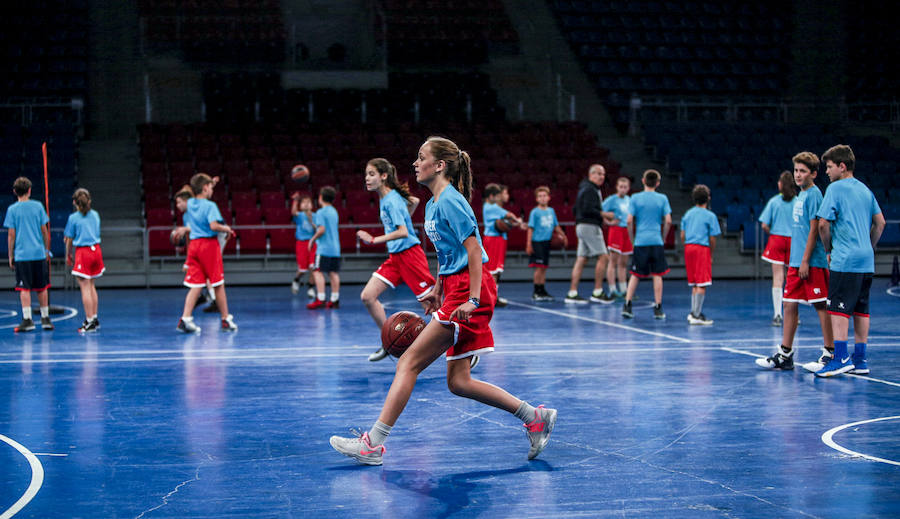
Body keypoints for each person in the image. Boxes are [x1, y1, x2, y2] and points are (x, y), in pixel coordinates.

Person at [329, 136, 557, 465]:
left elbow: (475, 251)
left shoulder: (451, 200)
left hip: (469, 290)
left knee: (408, 362)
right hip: (454, 287)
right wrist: (438, 285)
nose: (414, 163)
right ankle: (535, 417)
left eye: (421, 158)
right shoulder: (434, 203)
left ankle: (373, 443)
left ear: (440, 165)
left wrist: (474, 298)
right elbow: (448, 251)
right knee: (459, 382)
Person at [756, 152, 834, 371]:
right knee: (788, 304)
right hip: (795, 262)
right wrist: (797, 261)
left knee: (821, 305)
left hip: (812, 262)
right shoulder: (800, 196)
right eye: (796, 171)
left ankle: (830, 353)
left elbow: (814, 230)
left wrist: (805, 261)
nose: (798, 175)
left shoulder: (815, 195)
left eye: (803, 171)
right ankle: (785, 354)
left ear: (814, 173)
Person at [814, 145, 885, 377]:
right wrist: (868, 246)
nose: (826, 171)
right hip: (866, 260)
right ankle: (860, 360)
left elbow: (823, 224)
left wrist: (828, 248)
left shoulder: (835, 189)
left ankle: (841, 357)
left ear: (842, 166)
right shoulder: (865, 190)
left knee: (838, 309)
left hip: (845, 260)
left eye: (829, 166)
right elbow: (880, 223)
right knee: (861, 310)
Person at [357, 158, 436, 362]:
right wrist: (407, 214)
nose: (367, 178)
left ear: (384, 176)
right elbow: (415, 202)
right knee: (367, 296)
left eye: (372, 174)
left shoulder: (391, 200)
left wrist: (374, 239)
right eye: (366, 174)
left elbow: (402, 232)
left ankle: (463, 345)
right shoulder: (388, 198)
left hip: (410, 255)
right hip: (395, 258)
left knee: (433, 305)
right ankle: (389, 341)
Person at [177, 173, 237, 333]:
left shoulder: (190, 203)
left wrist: (211, 183)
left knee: (196, 286)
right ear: (204, 188)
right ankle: (225, 319)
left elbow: (194, 193)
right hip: (208, 246)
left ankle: (185, 319)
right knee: (218, 284)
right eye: (210, 187)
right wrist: (227, 228)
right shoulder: (211, 206)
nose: (212, 190)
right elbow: (213, 226)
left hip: (194, 246)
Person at [4, 177, 53, 332]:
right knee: (42, 287)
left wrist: (10, 255)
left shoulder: (12, 210)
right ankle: (45, 318)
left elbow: (11, 235)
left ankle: (27, 319)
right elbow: (44, 230)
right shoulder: (38, 206)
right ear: (30, 190)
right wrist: (46, 249)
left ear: (14, 192)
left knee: (24, 288)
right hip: (38, 253)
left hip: (22, 255)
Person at [622, 169, 671, 319]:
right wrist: (663, 237)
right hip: (656, 241)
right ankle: (658, 307)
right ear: (657, 183)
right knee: (657, 274)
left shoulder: (635, 198)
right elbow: (668, 221)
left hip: (641, 241)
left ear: (643, 181)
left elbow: (629, 221)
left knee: (635, 274)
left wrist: (632, 239)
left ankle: (628, 305)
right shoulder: (662, 198)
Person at [565, 164, 617, 304]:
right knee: (604, 257)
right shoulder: (590, 189)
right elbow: (588, 209)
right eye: (598, 174)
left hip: (582, 225)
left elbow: (577, 209)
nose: (601, 177)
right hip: (589, 226)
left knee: (581, 259)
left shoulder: (584, 188)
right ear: (591, 175)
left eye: (603, 174)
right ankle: (598, 291)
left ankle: (572, 292)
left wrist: (602, 218)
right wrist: (604, 214)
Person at [758, 171, 797, 326]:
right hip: (794, 241)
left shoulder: (774, 201)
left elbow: (764, 224)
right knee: (792, 279)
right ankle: (794, 315)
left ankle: (778, 314)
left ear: (780, 184)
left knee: (778, 279)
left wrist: (772, 232)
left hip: (777, 240)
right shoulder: (798, 201)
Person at [64, 188, 104, 333]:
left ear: (75, 202)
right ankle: (94, 317)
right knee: (92, 285)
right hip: (96, 250)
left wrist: (68, 253)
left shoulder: (73, 218)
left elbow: (69, 239)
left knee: (84, 287)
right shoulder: (95, 215)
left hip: (83, 252)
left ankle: (89, 320)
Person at [680, 184, 720, 325]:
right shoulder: (710, 216)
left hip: (688, 248)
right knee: (702, 283)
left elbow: (682, 234)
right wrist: (710, 253)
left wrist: (687, 245)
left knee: (695, 282)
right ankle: (696, 315)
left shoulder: (688, 214)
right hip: (701, 248)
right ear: (708, 198)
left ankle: (693, 312)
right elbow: (713, 238)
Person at [174, 186, 219, 313]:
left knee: (209, 271)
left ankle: (212, 299)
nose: (177, 206)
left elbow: (204, 229)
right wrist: (188, 260)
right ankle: (210, 298)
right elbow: (191, 239)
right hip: (202, 245)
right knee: (204, 271)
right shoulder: (185, 216)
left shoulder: (199, 209)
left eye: (179, 202)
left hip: (214, 239)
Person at [481, 183, 524, 307]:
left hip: (497, 239)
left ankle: (493, 296)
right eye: (498, 195)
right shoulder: (490, 207)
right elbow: (509, 215)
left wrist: (516, 224)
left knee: (496, 270)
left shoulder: (490, 207)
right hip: (494, 240)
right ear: (492, 196)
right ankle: (491, 298)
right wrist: (519, 222)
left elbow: (506, 221)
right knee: (493, 270)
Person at [526, 185, 567, 301]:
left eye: (544, 196)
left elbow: (556, 226)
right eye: (540, 196)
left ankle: (542, 290)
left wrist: (563, 236)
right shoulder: (535, 212)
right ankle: (536, 291)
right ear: (537, 199)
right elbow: (530, 228)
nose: (542, 198)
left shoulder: (551, 211)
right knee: (538, 268)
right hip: (537, 242)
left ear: (548, 198)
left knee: (544, 267)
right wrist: (528, 244)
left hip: (547, 242)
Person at [306, 186, 341, 309]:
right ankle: (334, 300)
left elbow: (321, 229)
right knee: (333, 273)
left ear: (320, 198)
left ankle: (320, 299)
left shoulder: (321, 212)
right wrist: (311, 218)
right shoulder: (333, 211)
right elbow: (323, 225)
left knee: (317, 272)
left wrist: (312, 239)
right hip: (335, 249)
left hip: (324, 249)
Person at [602, 176, 633, 299]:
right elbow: (600, 211)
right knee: (613, 261)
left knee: (624, 263)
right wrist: (608, 222)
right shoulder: (611, 200)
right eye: (621, 187)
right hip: (616, 230)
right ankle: (613, 289)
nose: (623, 189)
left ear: (628, 188)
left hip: (627, 231)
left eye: (625, 187)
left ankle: (624, 290)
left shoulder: (629, 200)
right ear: (617, 187)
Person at [290, 192, 316, 298]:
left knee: (313, 267)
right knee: (302, 269)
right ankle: (296, 280)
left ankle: (310, 288)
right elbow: (293, 212)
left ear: (311, 205)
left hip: (313, 243)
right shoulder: (299, 215)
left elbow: (318, 229)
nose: (305, 204)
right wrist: (295, 200)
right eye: (303, 203)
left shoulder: (315, 216)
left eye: (308, 202)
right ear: (301, 206)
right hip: (301, 244)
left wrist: (311, 221)